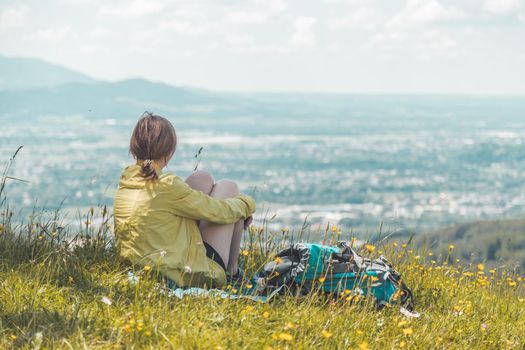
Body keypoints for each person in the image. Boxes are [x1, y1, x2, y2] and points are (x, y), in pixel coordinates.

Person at [113, 112, 256, 288]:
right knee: (228, 187)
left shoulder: (127, 181)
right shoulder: (167, 186)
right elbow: (222, 213)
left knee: (201, 178)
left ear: (134, 147)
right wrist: (247, 204)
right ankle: (232, 274)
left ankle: (231, 272)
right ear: (169, 151)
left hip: (142, 266)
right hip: (181, 273)